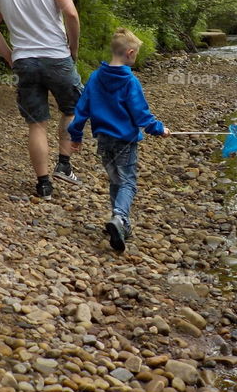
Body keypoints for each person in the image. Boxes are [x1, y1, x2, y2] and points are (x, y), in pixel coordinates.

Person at [0, 0, 82, 198]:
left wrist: (10, 55)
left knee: (36, 124)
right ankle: (64, 163)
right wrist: (73, 47)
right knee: (73, 108)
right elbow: (71, 13)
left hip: (25, 60)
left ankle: (43, 184)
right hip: (57, 56)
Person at [68, 28, 170, 252]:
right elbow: (140, 113)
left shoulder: (95, 77)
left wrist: (75, 135)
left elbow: (81, 109)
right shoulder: (130, 81)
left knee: (116, 181)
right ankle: (120, 217)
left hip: (103, 139)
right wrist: (158, 129)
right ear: (130, 53)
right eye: (136, 55)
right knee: (128, 182)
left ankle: (122, 224)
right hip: (124, 140)